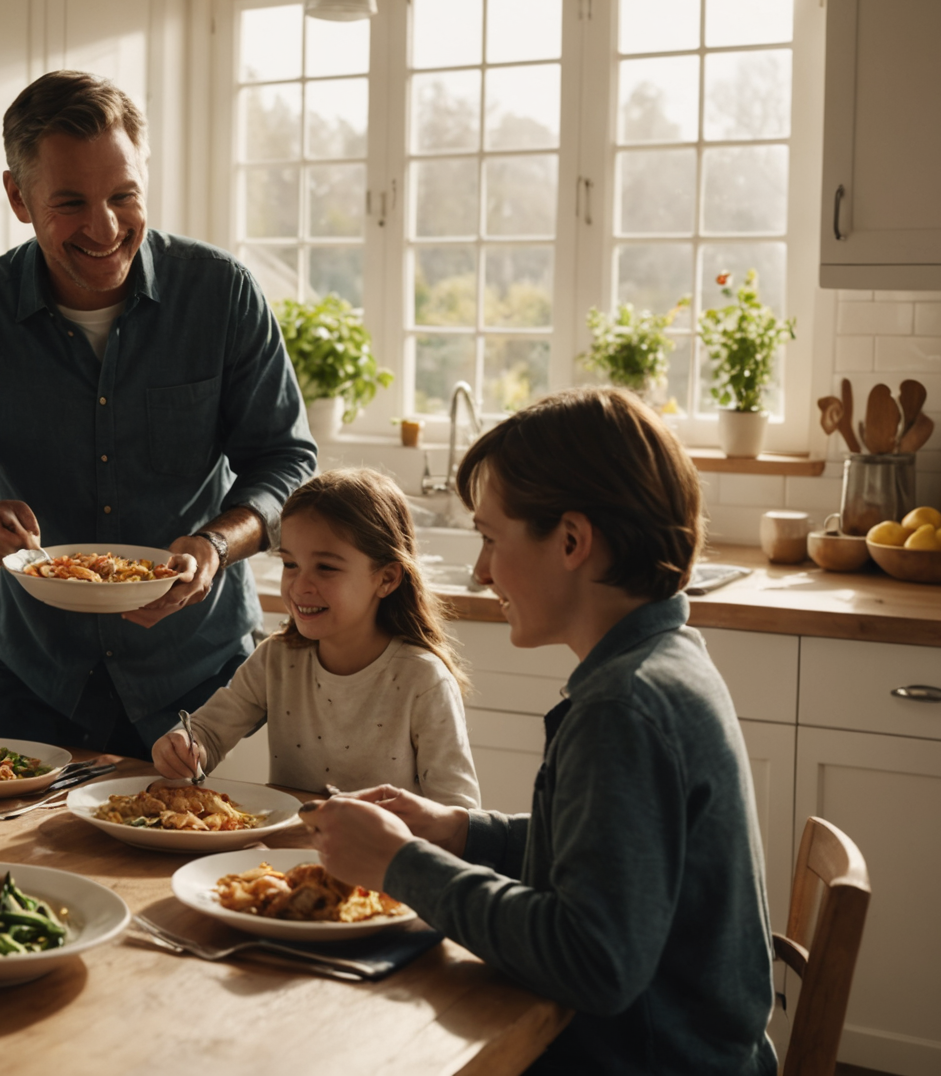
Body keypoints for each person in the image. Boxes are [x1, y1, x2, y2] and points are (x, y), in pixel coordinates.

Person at [304, 388, 776, 1075]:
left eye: (492, 539)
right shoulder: (663, 661)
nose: (480, 570)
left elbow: (592, 962)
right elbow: (612, 854)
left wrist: (400, 866)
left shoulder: (624, 708)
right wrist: (458, 832)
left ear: (573, 541)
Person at [0, 69, 317, 756]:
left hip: (205, 681)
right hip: (39, 678)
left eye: (123, 195)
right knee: (23, 861)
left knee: (196, 861)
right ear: (18, 198)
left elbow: (288, 462)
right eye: (72, 203)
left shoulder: (221, 296)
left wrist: (214, 546)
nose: (105, 227)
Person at [152, 469, 479, 803]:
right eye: (290, 564)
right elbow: (209, 732)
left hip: (385, 855)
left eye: (326, 568)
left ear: (387, 578)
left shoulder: (422, 679)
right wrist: (184, 746)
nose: (300, 586)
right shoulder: (276, 659)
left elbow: (460, 813)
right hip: (288, 853)